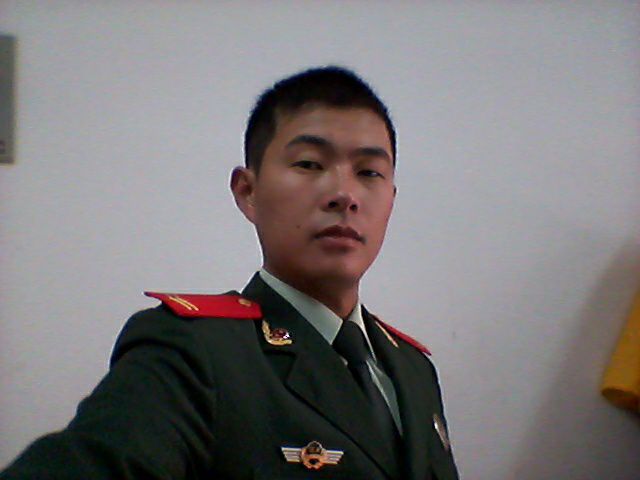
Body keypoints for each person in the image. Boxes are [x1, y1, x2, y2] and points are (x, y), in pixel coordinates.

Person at [0, 66, 459, 479]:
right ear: (247, 192)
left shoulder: (412, 368)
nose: (345, 194)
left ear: (391, 199)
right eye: (309, 164)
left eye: (370, 172)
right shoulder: (194, 349)